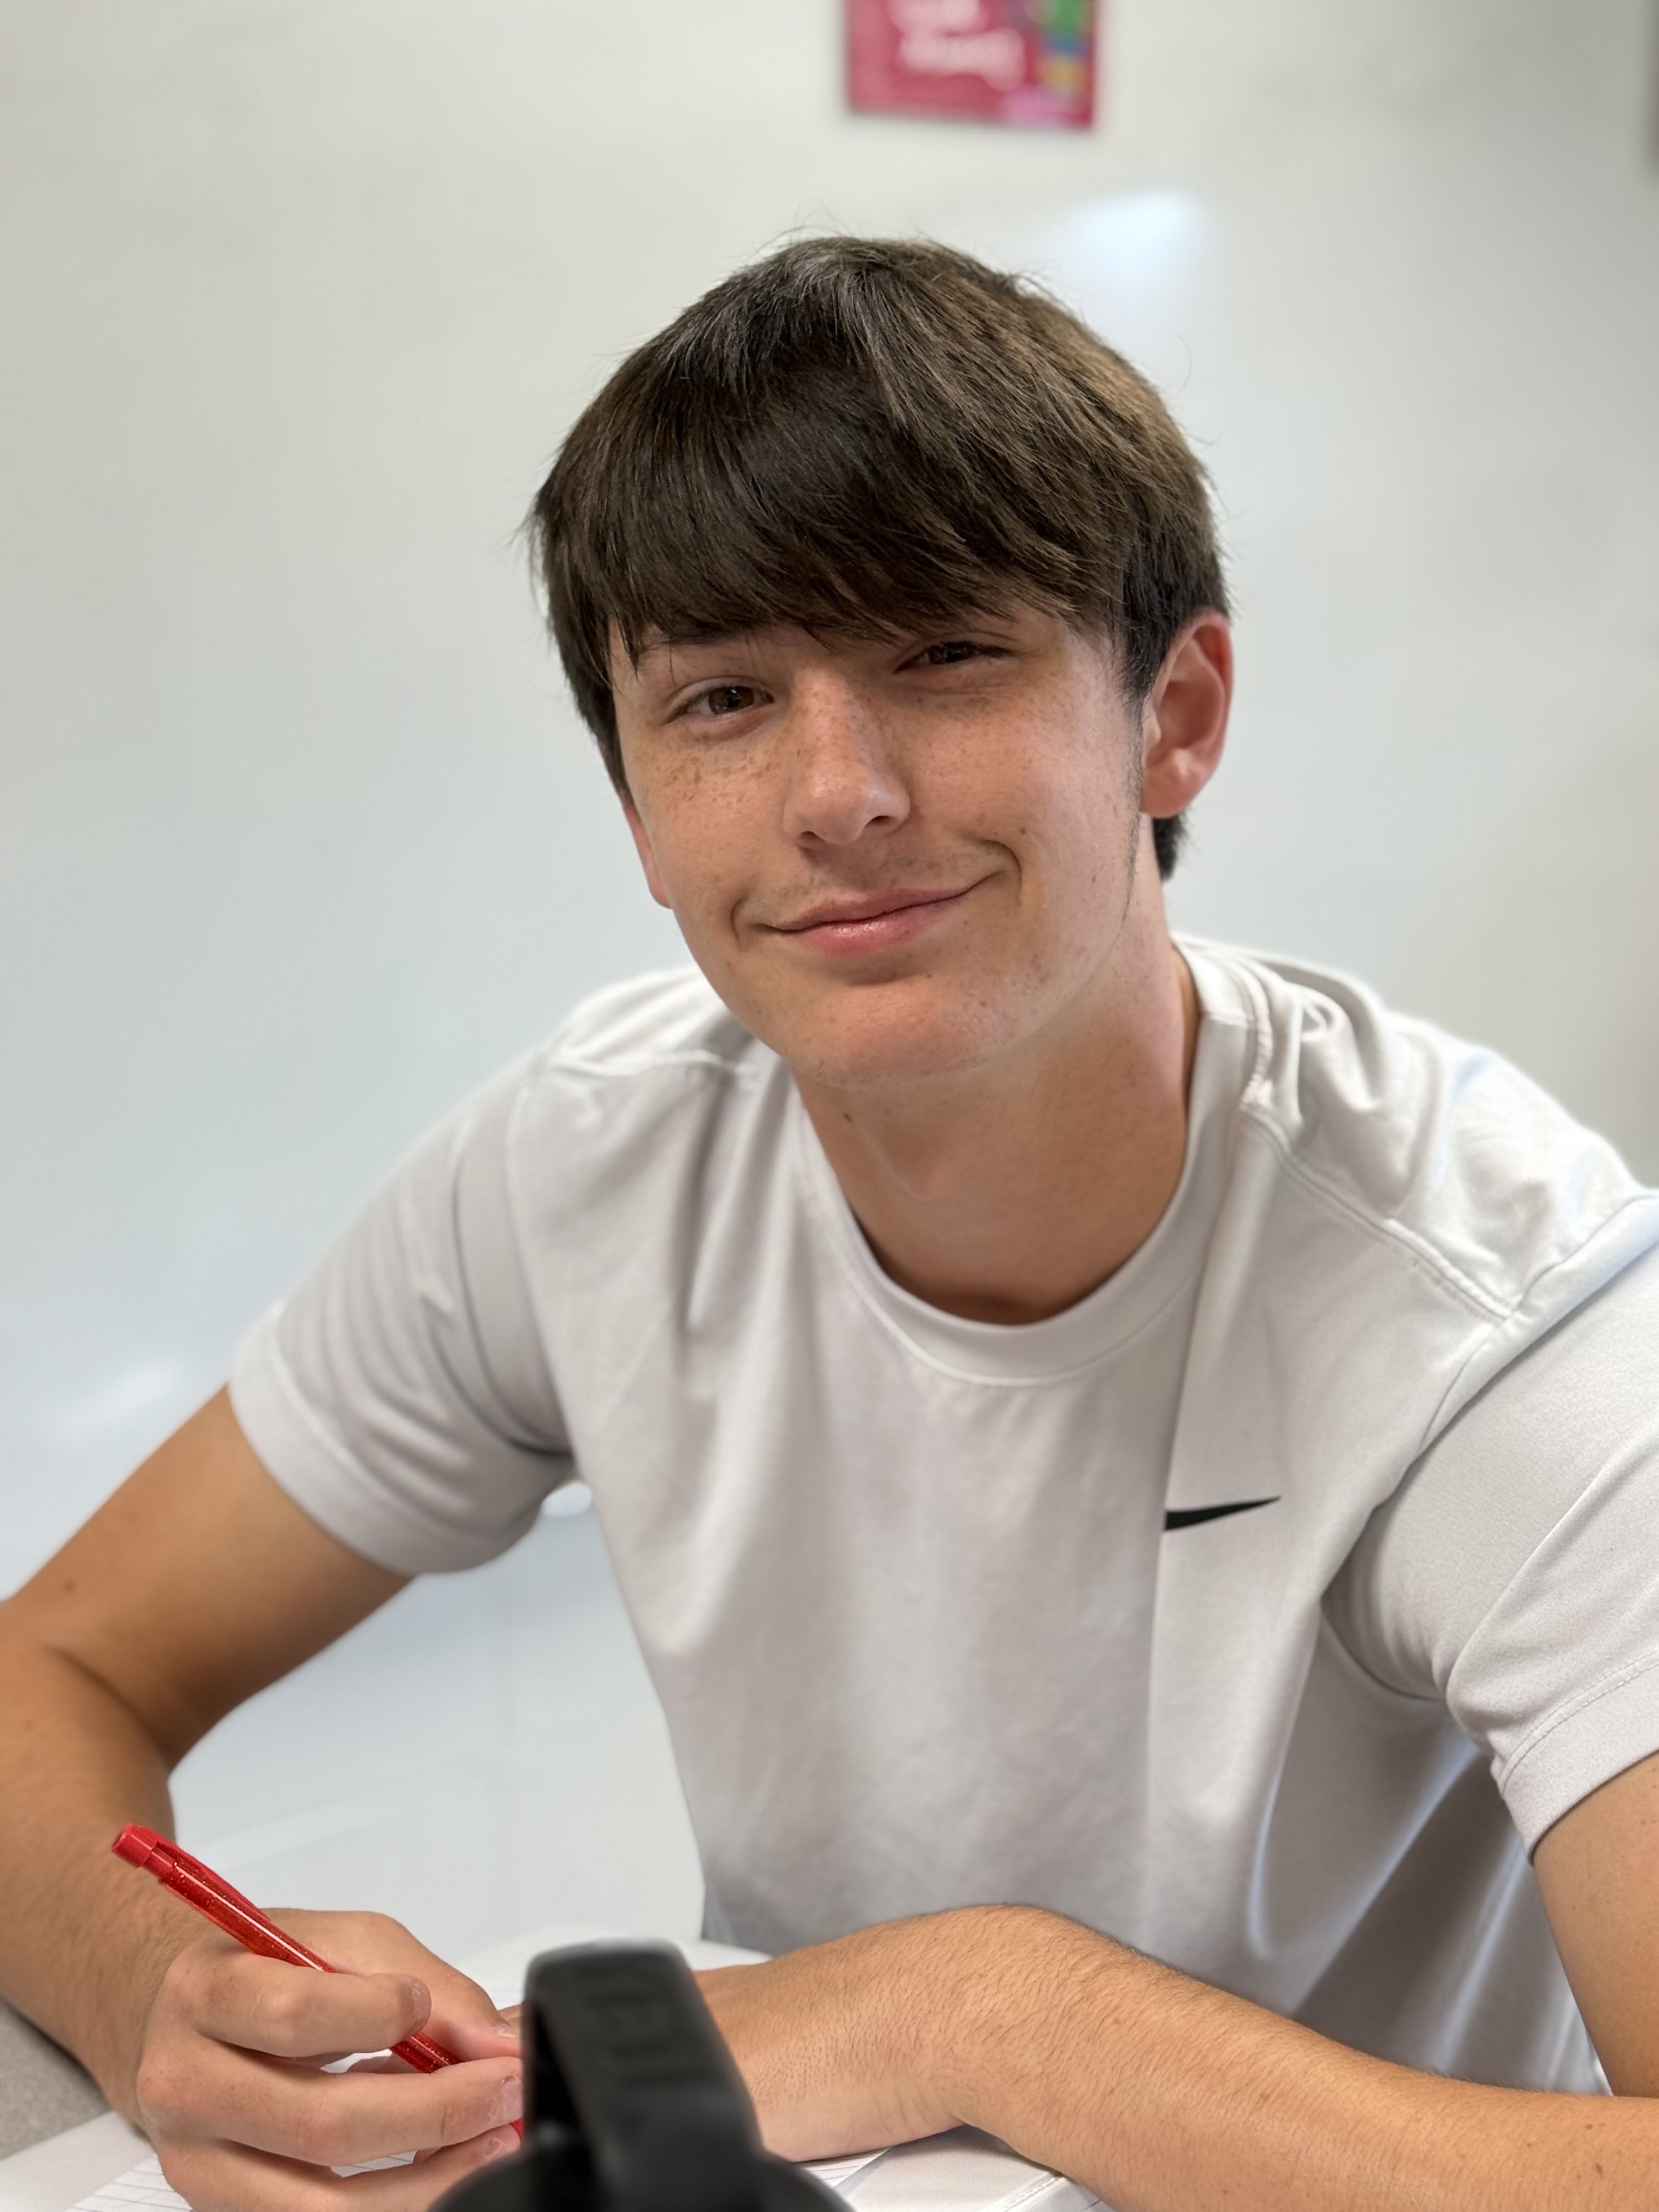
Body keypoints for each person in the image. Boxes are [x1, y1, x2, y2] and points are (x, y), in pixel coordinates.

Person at [3, 236, 1659, 2212]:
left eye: (946, 654)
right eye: (719, 698)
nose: (835, 793)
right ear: (633, 802)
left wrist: (971, 2009)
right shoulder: (584, 1167)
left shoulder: (1503, 1320)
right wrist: (159, 2000)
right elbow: (62, 1670)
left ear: (1174, 714)